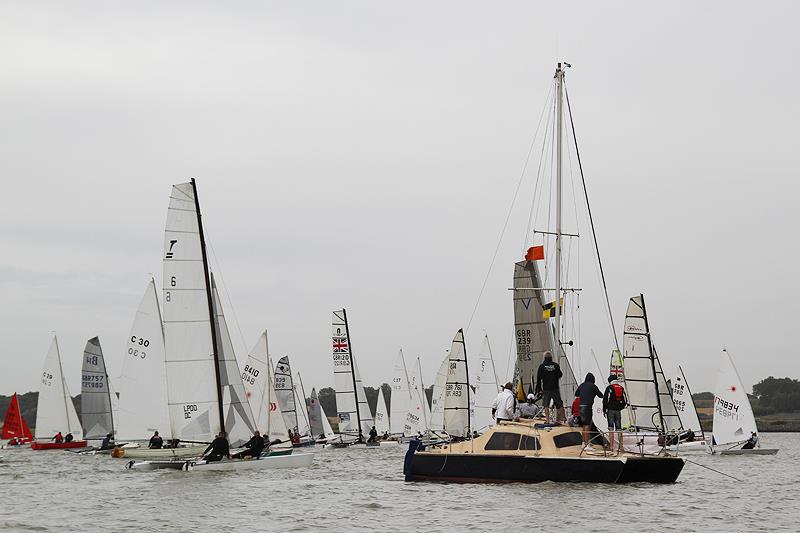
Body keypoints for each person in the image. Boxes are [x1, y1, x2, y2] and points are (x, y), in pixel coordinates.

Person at [536, 351, 565, 423]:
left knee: (546, 405)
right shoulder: (556, 365)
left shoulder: (542, 367)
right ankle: (563, 419)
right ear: (551, 358)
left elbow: (539, 378)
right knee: (559, 404)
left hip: (546, 389)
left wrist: (538, 389)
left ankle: (548, 420)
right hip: (555, 388)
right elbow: (560, 375)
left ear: (544, 358)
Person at [574, 373, 603, 446]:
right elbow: (601, 395)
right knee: (587, 425)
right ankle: (586, 444)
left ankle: (583, 443)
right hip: (587, 407)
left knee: (584, 425)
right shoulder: (593, 386)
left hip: (581, 407)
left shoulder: (582, 385)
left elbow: (576, 394)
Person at [602, 374, 627, 454]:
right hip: (618, 411)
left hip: (610, 410)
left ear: (610, 381)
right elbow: (625, 400)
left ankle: (612, 447)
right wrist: (620, 407)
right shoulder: (621, 388)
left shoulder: (609, 388)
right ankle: (621, 447)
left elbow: (605, 400)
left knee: (611, 428)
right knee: (619, 429)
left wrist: (604, 410)